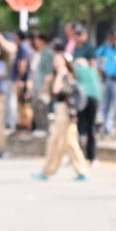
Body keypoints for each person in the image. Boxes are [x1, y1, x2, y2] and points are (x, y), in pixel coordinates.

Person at [35, 42, 92, 182]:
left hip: (64, 111)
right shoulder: (66, 74)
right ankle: (80, 171)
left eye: (57, 60)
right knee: (70, 142)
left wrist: (57, 77)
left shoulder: (63, 74)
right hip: (66, 111)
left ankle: (47, 171)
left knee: (55, 141)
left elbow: (56, 91)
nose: (55, 62)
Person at [71, 43, 102, 164]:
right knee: (91, 128)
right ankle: (92, 157)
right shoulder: (92, 71)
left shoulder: (77, 70)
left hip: (82, 99)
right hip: (95, 99)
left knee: (79, 128)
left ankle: (78, 156)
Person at [96, 29, 116, 137]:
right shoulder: (105, 48)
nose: (112, 39)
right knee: (105, 105)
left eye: (114, 37)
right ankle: (106, 128)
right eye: (110, 38)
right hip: (107, 79)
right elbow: (97, 54)